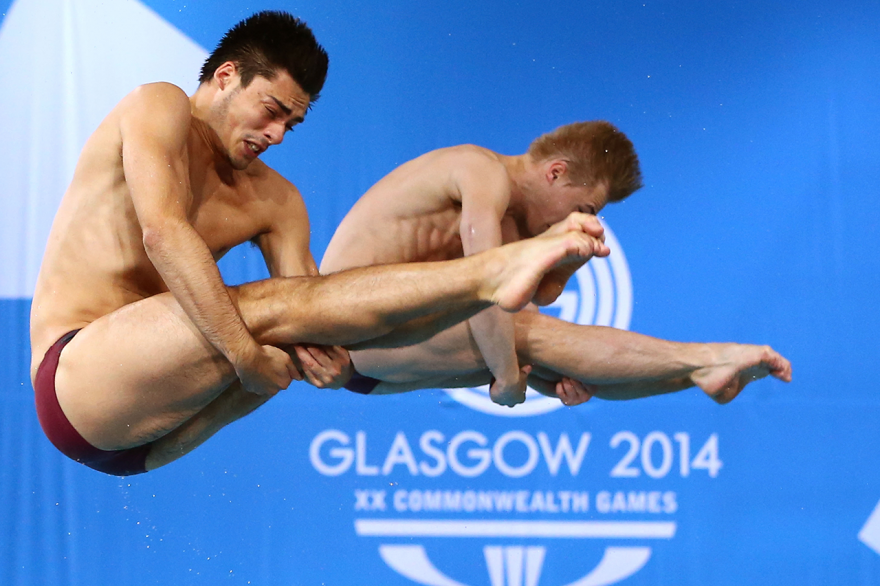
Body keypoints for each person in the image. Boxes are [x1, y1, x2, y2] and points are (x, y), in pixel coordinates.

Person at [28, 11, 605, 477]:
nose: (276, 136)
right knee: (258, 309)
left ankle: (679, 366)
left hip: (164, 435)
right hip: (77, 382)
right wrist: (244, 355)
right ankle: (488, 275)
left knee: (310, 322)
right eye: (272, 111)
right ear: (226, 76)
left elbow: (324, 321)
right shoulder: (160, 105)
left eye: (291, 126)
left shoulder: (275, 200)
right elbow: (164, 233)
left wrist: (325, 364)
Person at [320, 122, 792, 406]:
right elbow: (486, 294)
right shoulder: (479, 172)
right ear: (555, 172)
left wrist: (565, 262)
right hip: (347, 336)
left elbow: (532, 299)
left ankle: (695, 376)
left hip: (379, 356)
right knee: (525, 339)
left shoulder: (517, 221)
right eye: (585, 208)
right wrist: (507, 378)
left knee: (561, 365)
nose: (581, 220)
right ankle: (706, 359)